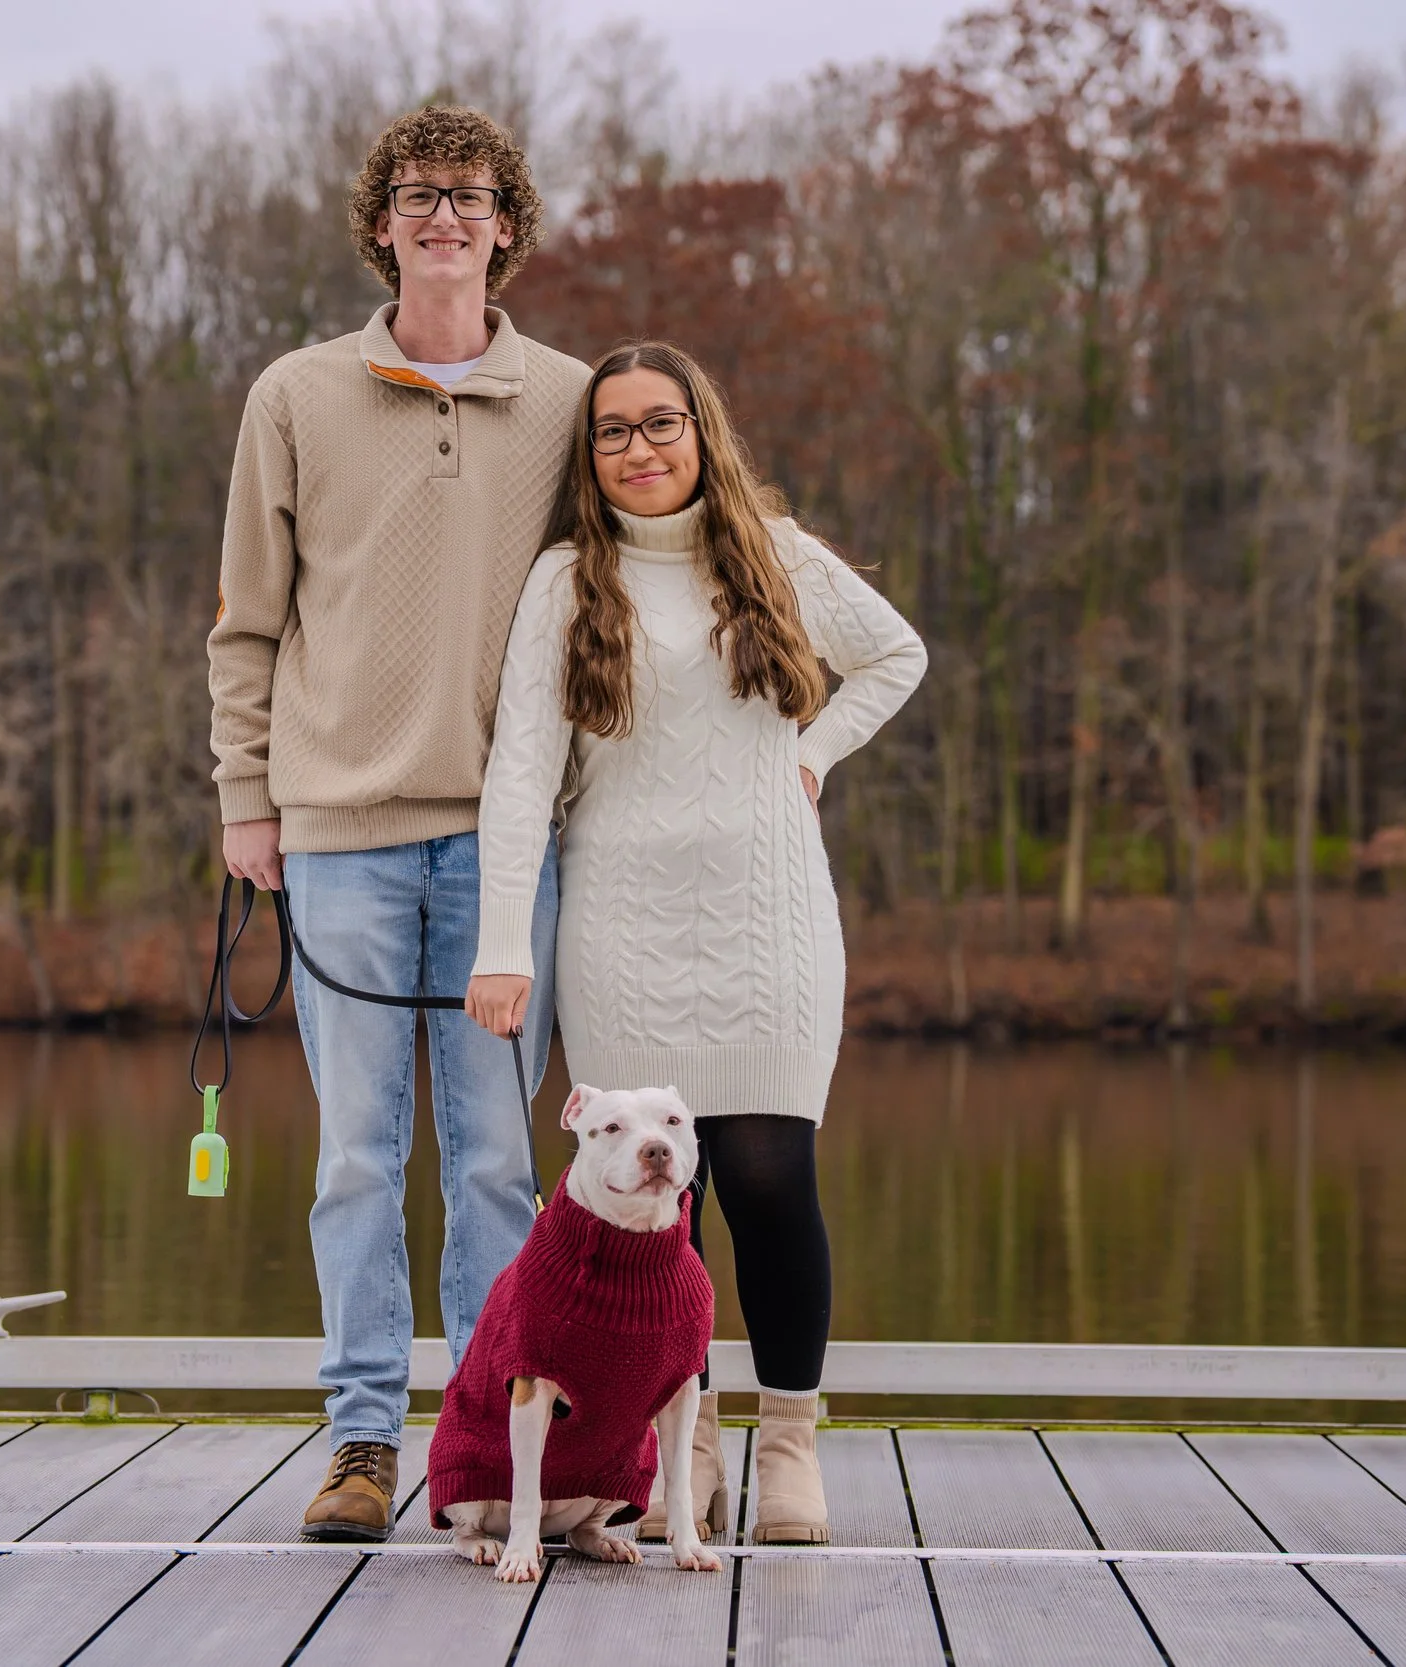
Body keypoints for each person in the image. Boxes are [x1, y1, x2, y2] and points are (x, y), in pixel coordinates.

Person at [464, 340, 927, 1544]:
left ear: (699, 428)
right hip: (620, 923)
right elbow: (520, 771)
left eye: (659, 422)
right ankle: (691, 1446)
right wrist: (502, 941)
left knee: (769, 1180)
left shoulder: (776, 553)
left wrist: (812, 753)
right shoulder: (566, 580)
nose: (639, 448)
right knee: (659, 1204)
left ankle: (791, 1447)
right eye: (612, 430)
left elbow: (897, 654)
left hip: (769, 917)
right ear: (590, 455)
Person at [206, 106, 589, 1543]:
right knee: (356, 1158)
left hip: (509, 844)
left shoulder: (569, 399)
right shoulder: (295, 394)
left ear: (507, 225)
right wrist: (247, 795)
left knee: (496, 1160)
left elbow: (620, 606)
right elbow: (247, 622)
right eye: (418, 194)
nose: (443, 214)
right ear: (383, 224)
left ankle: (485, 1446)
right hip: (338, 835)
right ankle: (362, 1439)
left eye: (470, 195)